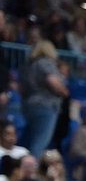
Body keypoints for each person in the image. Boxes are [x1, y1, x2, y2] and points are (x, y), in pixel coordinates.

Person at [19, 30, 69, 159]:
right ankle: (30, 172)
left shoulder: (28, 65)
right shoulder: (46, 63)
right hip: (45, 106)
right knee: (39, 142)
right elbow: (53, 82)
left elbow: (21, 88)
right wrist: (63, 91)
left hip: (28, 106)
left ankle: (17, 167)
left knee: (26, 142)